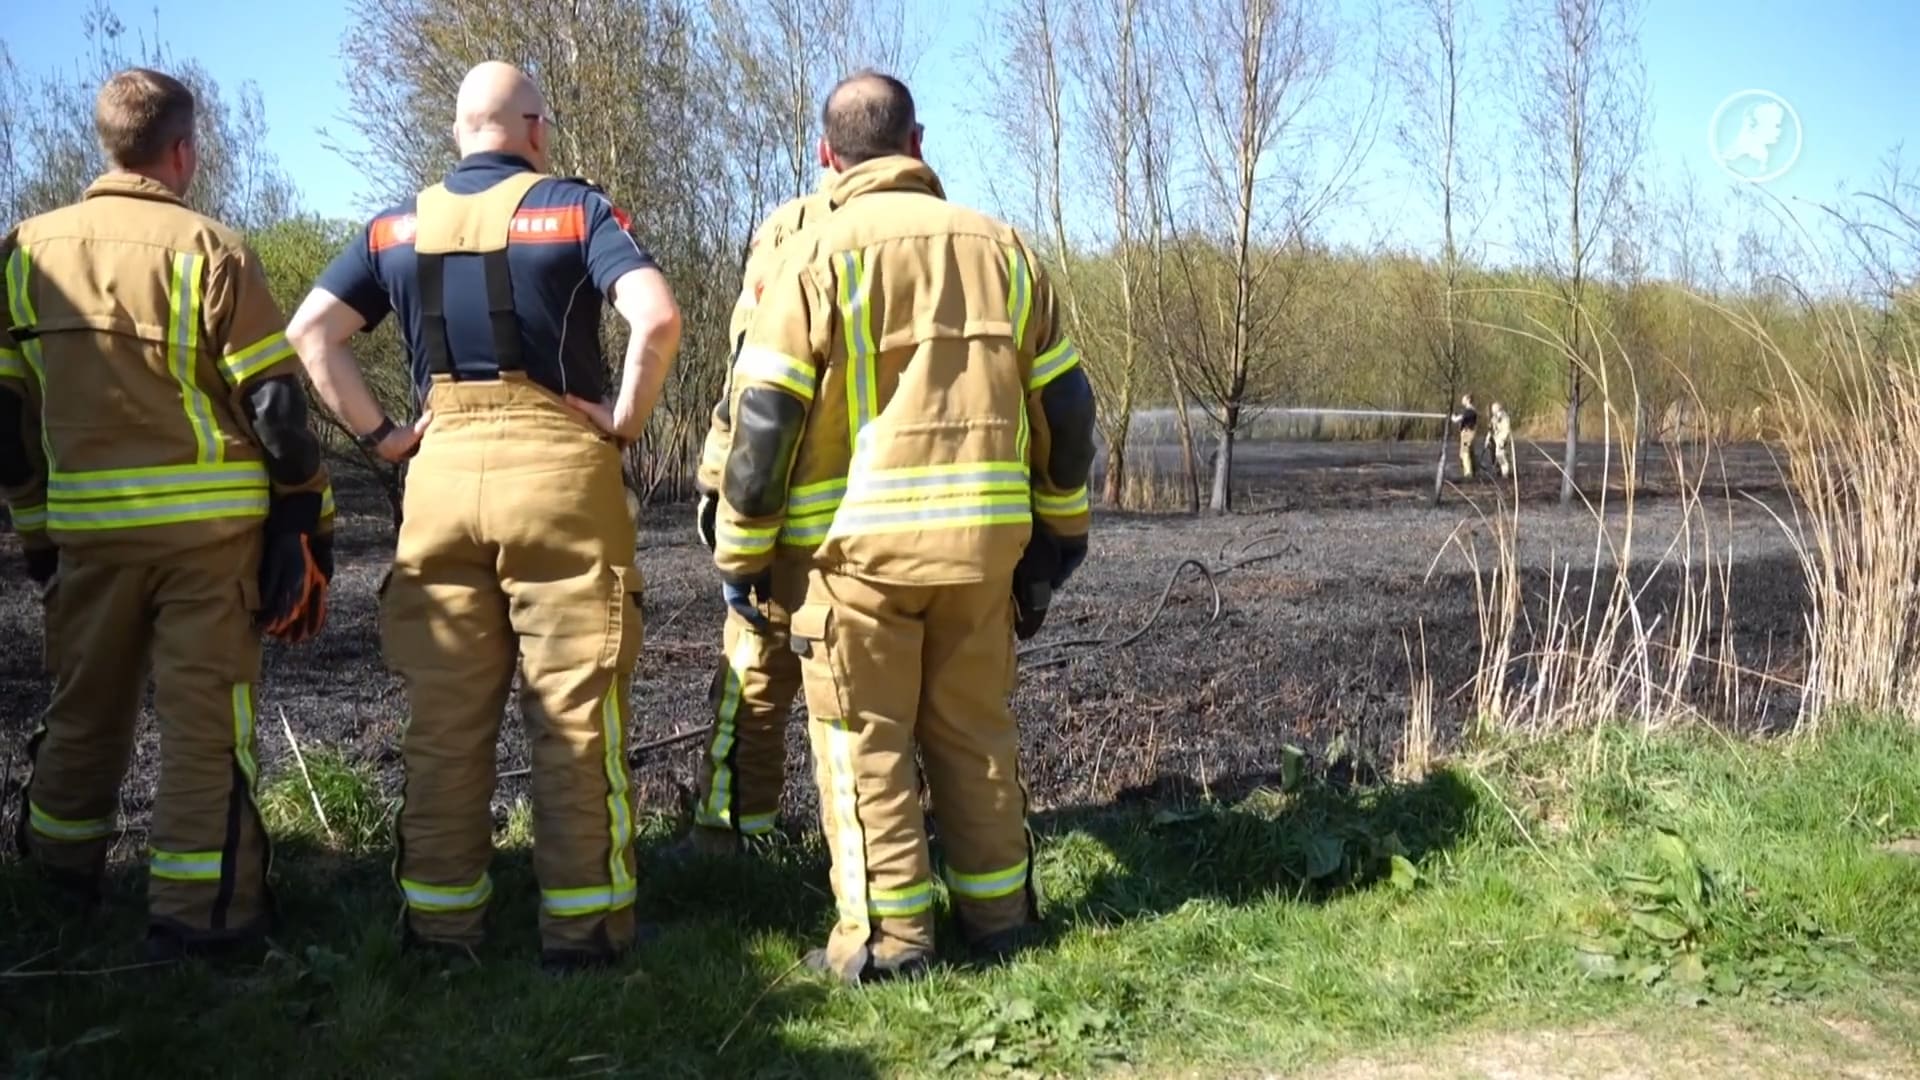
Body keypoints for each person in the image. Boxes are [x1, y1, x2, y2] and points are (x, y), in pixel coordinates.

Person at [285, 60, 682, 972]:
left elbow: (312, 332)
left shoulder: (393, 226)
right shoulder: (576, 209)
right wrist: (623, 418)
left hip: (439, 482)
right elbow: (655, 317)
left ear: (461, 132)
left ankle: (440, 932)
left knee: (445, 722)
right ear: (535, 131)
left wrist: (385, 436)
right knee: (575, 712)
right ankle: (586, 933)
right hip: (558, 481)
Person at [715, 71, 1097, 984]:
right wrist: (1060, 534)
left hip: (855, 564)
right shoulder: (1006, 250)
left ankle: (891, 945)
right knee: (974, 732)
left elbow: (763, 422)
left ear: (825, 157)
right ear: (918, 144)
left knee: (864, 745)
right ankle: (1001, 917)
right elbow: (1071, 409)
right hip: (983, 557)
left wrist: (741, 554)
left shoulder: (814, 256)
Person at [2, 68, 334, 960]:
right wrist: (305, 518)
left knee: (84, 709)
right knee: (202, 724)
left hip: (87, 537)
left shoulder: (22, 252)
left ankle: (53, 887)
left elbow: (7, 426)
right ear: (182, 151)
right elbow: (277, 412)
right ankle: (205, 918)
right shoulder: (209, 248)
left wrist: (36, 532)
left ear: (108, 144)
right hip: (207, 543)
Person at [685, 173, 838, 856]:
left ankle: (733, 838)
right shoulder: (948, 238)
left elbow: (749, 390)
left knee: (752, 674)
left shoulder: (790, 240)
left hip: (791, 520)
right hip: (903, 523)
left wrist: (718, 493)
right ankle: (929, 850)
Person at [1451, 393, 1478, 480]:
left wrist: (1453, 417)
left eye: (1464, 399)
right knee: (1469, 452)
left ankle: (1468, 473)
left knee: (1465, 453)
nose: (1462, 401)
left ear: (1468, 400)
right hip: (1467, 434)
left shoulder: (1470, 411)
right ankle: (1473, 470)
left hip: (1468, 434)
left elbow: (1457, 419)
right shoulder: (1469, 411)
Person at [1489, 401, 1513, 480]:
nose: (1492, 410)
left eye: (1493, 408)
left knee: (1502, 457)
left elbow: (1506, 430)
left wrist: (1503, 440)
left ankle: (1505, 474)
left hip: (1502, 440)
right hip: (1496, 439)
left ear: (1498, 408)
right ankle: (1502, 472)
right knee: (1498, 457)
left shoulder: (1504, 417)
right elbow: (1492, 428)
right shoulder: (1494, 417)